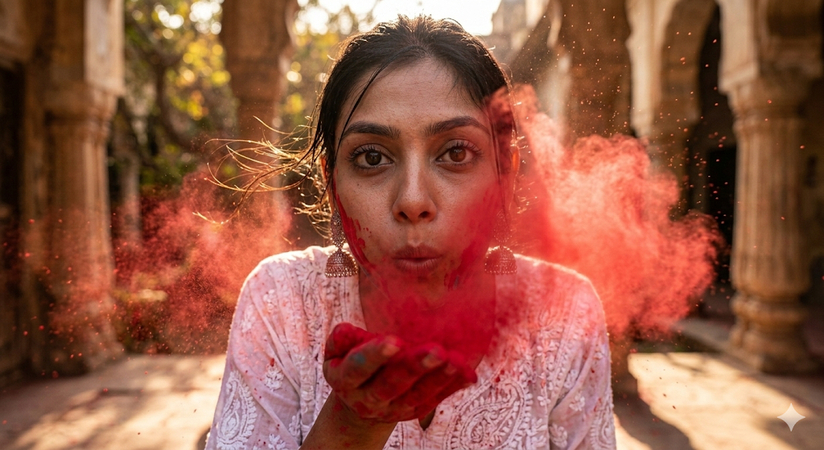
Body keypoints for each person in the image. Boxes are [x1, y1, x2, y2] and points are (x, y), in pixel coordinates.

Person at [205, 15, 616, 450]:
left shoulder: (565, 311)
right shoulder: (281, 302)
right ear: (332, 184)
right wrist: (353, 424)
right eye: (371, 158)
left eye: (456, 152)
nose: (413, 200)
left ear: (505, 175)